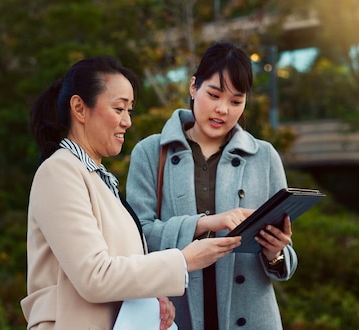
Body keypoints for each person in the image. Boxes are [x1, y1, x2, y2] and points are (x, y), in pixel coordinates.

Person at [21, 55, 241, 329]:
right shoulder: (59, 171)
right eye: (119, 109)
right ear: (79, 107)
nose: (127, 122)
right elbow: (94, 276)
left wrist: (151, 296)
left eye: (130, 111)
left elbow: (117, 267)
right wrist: (184, 260)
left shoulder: (99, 178)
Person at [126, 42, 298, 330]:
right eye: (214, 94)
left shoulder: (264, 156)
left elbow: (286, 260)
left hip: (252, 317)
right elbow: (137, 239)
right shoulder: (151, 152)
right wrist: (206, 223)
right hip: (174, 316)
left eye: (235, 101)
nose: (222, 110)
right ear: (194, 87)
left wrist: (276, 252)